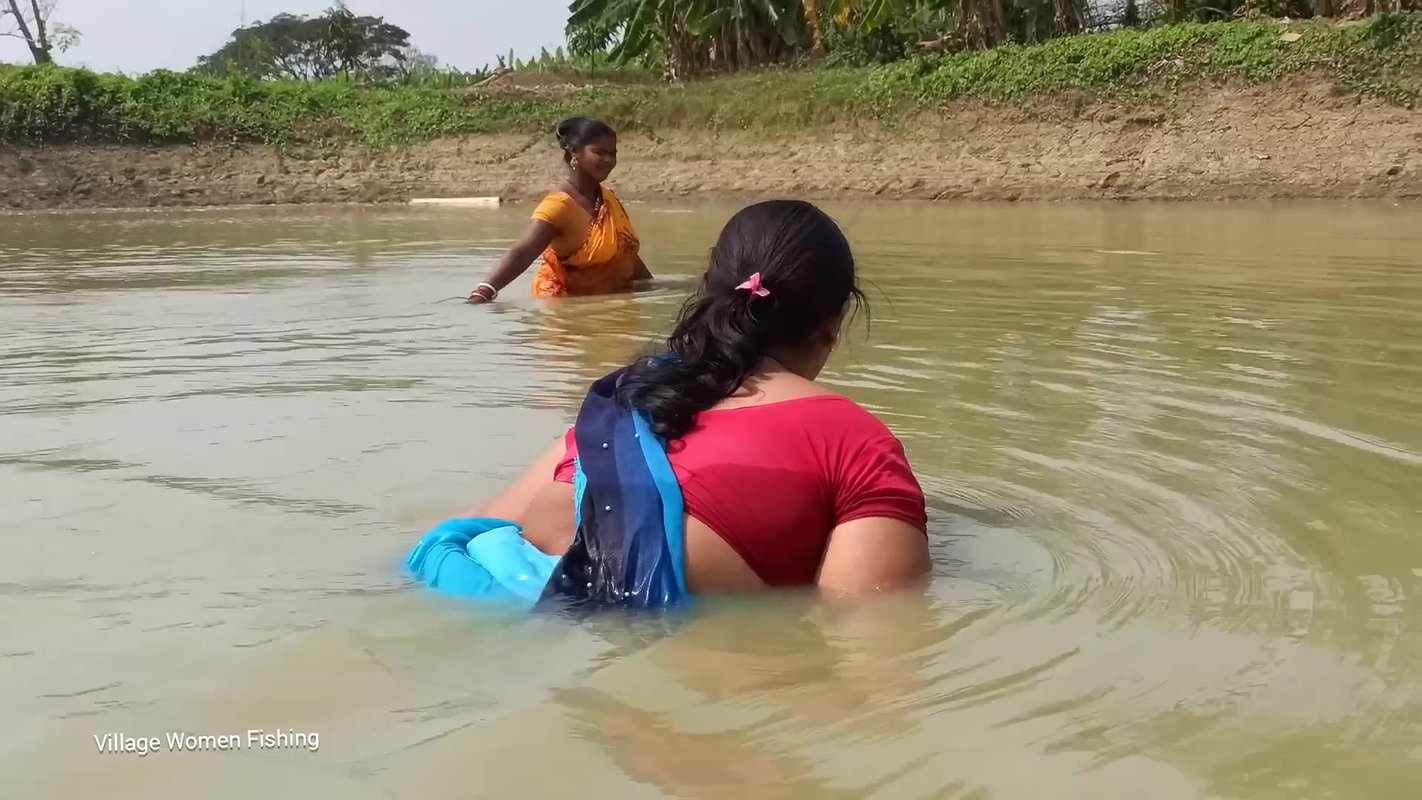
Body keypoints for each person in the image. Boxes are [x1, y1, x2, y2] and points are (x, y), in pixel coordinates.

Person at [409, 200, 930, 608]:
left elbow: (480, 520)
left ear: (713, 291)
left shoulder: (630, 395)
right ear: (833, 325)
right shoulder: (855, 442)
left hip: (500, 591)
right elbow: (869, 626)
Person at [468, 117, 652, 303]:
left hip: (612, 306)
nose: (608, 160)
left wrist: (654, 287)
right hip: (564, 310)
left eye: (613, 154)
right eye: (599, 152)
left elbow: (625, 254)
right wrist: (484, 292)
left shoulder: (608, 198)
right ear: (574, 153)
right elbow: (523, 251)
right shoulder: (558, 206)